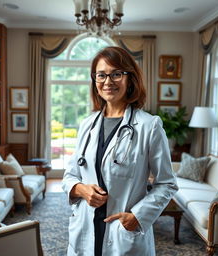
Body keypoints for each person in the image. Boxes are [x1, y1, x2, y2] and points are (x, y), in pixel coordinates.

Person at [62, 46, 178, 256]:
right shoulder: (87, 125)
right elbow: (70, 175)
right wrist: (80, 189)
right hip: (85, 225)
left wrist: (137, 216)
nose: (108, 81)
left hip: (123, 231)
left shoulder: (149, 126)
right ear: (94, 80)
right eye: (101, 75)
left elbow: (167, 184)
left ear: (129, 78)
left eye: (116, 74)